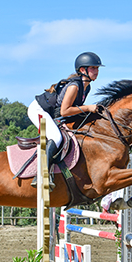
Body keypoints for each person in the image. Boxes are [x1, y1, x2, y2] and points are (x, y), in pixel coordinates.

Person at [28, 52, 104, 189]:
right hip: (38, 110)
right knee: (56, 137)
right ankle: (40, 174)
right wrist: (87, 108)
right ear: (83, 70)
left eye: (97, 68)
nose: (97, 71)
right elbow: (65, 111)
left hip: (53, 114)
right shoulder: (75, 86)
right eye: (93, 68)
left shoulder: (87, 87)